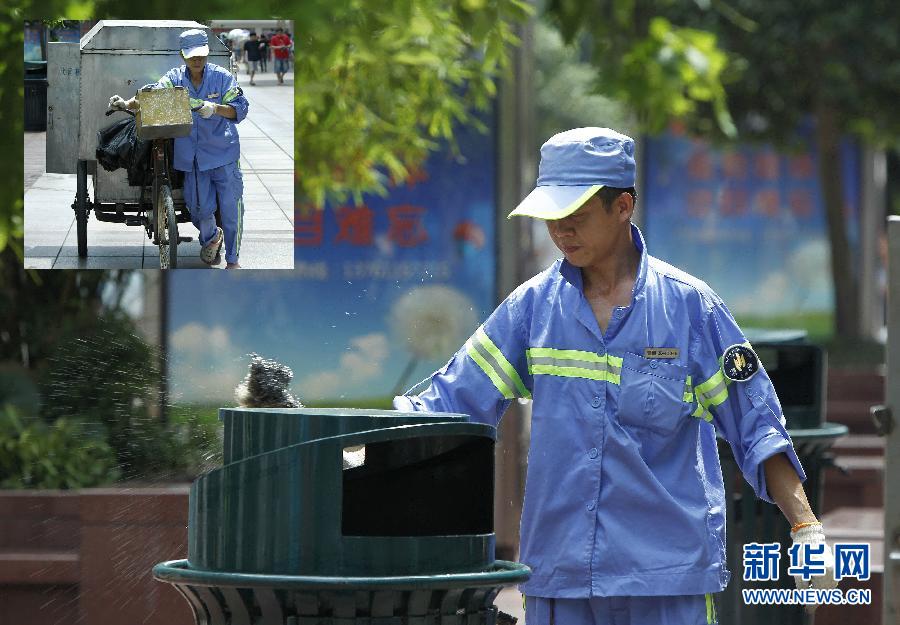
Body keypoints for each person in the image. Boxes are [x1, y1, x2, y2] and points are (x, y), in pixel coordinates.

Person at [393, 128, 839, 624]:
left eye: (577, 216)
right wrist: (343, 446)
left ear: (623, 207)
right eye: (552, 219)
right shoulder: (531, 310)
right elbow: (450, 404)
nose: (562, 231)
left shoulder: (691, 308)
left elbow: (755, 423)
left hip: (668, 580)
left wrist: (806, 529)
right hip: (560, 579)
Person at [109, 29, 249, 269]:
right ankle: (212, 239)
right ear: (182, 56)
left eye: (202, 55)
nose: (197, 60)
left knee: (230, 208)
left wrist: (215, 108)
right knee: (199, 209)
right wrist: (126, 103)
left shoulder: (222, 77)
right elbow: (150, 95)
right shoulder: (174, 78)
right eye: (192, 56)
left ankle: (233, 260)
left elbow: (240, 108)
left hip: (223, 153)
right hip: (192, 159)